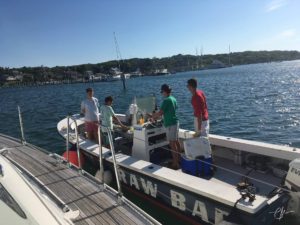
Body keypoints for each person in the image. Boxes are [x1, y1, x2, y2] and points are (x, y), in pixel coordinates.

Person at [151, 84, 181, 169]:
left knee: (172, 144)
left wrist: (152, 116)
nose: (162, 94)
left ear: (164, 91)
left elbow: (160, 113)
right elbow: (170, 111)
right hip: (175, 122)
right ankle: (178, 159)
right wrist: (156, 116)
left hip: (171, 124)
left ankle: (175, 164)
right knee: (176, 142)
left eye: (162, 92)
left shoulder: (166, 100)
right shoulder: (173, 99)